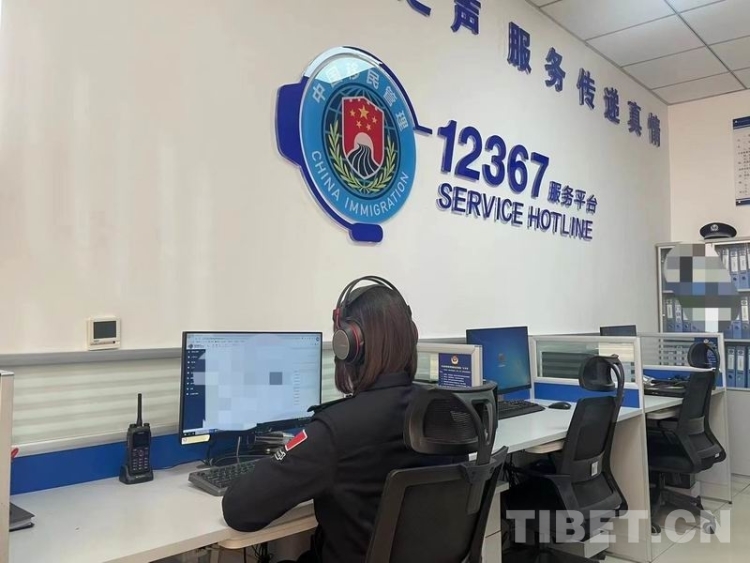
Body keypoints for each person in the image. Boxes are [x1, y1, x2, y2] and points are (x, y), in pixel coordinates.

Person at [222, 276, 443, 562]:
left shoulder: (336, 429)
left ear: (347, 346)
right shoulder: (446, 411)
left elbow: (239, 510)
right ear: (411, 336)